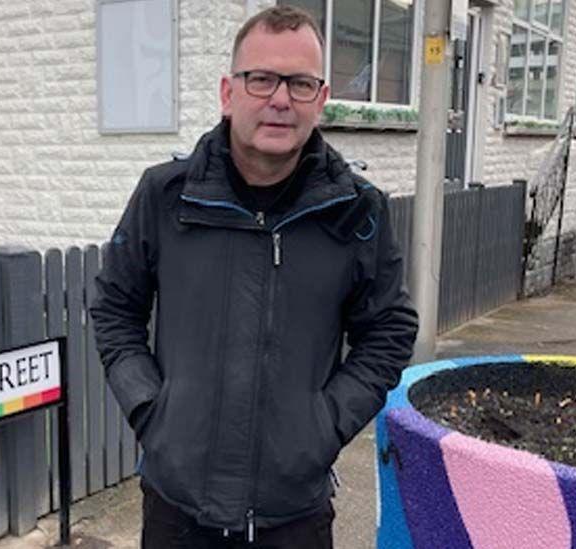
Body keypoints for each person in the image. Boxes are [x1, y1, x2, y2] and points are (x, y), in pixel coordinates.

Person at [90, 6, 417, 548]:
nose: (281, 99)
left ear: (322, 96)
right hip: (176, 513)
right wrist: (152, 409)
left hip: (293, 518)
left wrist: (325, 427)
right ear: (228, 91)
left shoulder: (357, 212)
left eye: (300, 83)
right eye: (262, 79)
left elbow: (389, 331)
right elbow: (113, 309)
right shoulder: (166, 197)